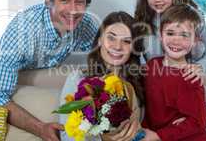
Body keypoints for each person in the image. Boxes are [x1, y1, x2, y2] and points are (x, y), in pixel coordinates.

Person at [0, 0, 98, 140]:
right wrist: (41, 129)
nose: (73, 9)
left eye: (80, 2)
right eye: (64, 0)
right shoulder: (23, 30)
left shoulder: (85, 23)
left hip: (31, 68)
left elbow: (105, 50)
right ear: (49, 2)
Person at [59, 11, 144, 141]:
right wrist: (103, 138)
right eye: (111, 37)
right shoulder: (78, 78)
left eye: (126, 41)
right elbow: (67, 136)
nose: (117, 46)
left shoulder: (137, 83)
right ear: (99, 40)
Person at [142, 5, 206, 141]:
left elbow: (198, 122)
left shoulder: (191, 76)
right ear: (161, 35)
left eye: (184, 35)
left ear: (194, 41)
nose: (176, 40)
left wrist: (157, 135)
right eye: (170, 33)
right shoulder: (152, 65)